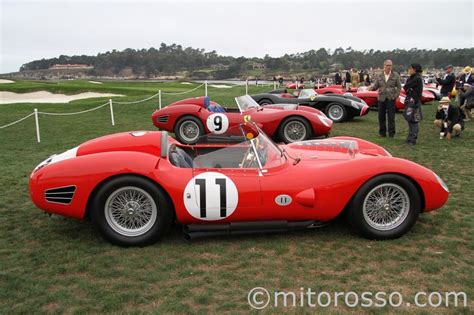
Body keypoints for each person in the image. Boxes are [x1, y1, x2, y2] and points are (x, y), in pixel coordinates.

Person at [369, 60, 402, 138]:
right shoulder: (379, 75)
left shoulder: (395, 75)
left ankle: (391, 134)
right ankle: (382, 133)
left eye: (390, 65)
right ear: (384, 66)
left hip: (391, 98)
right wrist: (371, 88)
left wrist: (396, 96)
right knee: (381, 116)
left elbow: (399, 87)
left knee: (391, 117)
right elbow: (376, 86)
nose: (389, 67)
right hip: (381, 98)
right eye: (387, 65)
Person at [403, 63, 424, 145]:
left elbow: (406, 86)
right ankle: (410, 138)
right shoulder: (413, 78)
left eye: (410, 68)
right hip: (410, 100)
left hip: (414, 101)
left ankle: (412, 139)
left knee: (413, 121)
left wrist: (409, 88)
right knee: (410, 119)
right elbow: (406, 87)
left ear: (414, 69)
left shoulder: (417, 78)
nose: (409, 70)